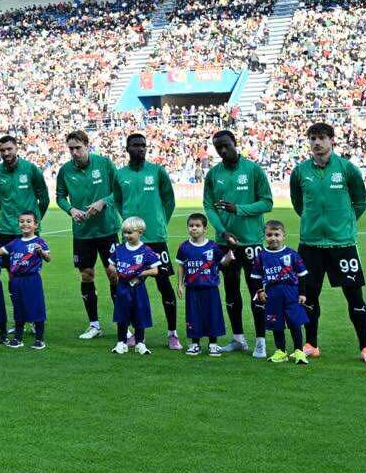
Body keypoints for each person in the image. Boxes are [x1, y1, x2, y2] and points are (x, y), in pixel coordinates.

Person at [289, 122, 366, 365]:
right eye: (312, 138)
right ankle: (311, 344)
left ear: (331, 140)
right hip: (311, 245)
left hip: (342, 244)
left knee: (355, 297)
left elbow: (360, 202)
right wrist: (313, 224)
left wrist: (344, 225)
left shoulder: (347, 169)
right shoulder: (299, 172)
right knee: (308, 296)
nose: (316, 142)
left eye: (321, 137)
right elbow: (298, 204)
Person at [202, 130, 273, 358]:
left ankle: (260, 341)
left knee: (257, 291)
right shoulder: (213, 174)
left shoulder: (253, 170)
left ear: (235, 143)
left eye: (226, 145)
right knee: (231, 291)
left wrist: (239, 209)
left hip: (251, 242)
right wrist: (222, 232)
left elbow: (267, 202)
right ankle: (238, 339)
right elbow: (209, 206)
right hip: (225, 243)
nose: (223, 150)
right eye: (218, 147)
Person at [112, 133, 180, 350]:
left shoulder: (157, 171)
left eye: (143, 145)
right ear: (127, 148)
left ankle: (172, 333)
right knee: (129, 287)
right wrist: (129, 224)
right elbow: (119, 201)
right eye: (135, 145)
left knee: (165, 286)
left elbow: (169, 200)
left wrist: (160, 222)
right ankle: (133, 333)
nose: (140, 148)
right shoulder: (120, 174)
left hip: (156, 239)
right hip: (131, 242)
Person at [55, 130, 120, 341]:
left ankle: (123, 324)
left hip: (107, 229)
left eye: (78, 148)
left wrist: (103, 202)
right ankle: (94, 325)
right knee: (86, 275)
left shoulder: (104, 164)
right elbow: (60, 197)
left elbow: (118, 190)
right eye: (71, 149)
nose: (74, 152)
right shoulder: (65, 171)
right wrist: (71, 210)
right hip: (83, 233)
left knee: (114, 274)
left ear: (87, 146)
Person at [0, 211, 50, 350]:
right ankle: (18, 338)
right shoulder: (15, 242)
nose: (25, 224)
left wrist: (41, 252)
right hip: (16, 280)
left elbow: (48, 258)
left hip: (32, 279)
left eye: (29, 221)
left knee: (36, 307)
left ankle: (39, 339)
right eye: (22, 221)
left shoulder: (39, 241)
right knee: (18, 308)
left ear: (35, 225)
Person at [250, 220, 310, 365]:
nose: (273, 238)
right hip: (272, 295)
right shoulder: (262, 256)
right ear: (265, 236)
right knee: (276, 324)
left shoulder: (292, 254)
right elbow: (256, 277)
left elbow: (302, 275)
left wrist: (302, 293)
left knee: (295, 323)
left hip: (291, 294)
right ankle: (281, 351)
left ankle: (299, 351)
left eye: (277, 234)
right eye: (269, 235)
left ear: (284, 236)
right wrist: (260, 291)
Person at [108, 217, 161, 355]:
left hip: (138, 289)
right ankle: (121, 343)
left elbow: (155, 270)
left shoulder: (146, 250)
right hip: (122, 288)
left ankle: (140, 343)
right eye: (124, 232)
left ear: (140, 232)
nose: (126, 235)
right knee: (122, 315)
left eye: (130, 233)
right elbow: (111, 265)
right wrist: (115, 272)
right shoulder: (120, 249)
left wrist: (139, 274)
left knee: (139, 314)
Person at [175, 213, 224, 356]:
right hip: (192, 289)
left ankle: (213, 344)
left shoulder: (213, 246)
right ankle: (195, 344)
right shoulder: (184, 247)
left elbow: (222, 262)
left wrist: (229, 256)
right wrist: (180, 285)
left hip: (210, 288)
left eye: (197, 226)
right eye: (191, 226)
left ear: (205, 229)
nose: (194, 228)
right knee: (193, 316)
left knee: (212, 315)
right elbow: (181, 266)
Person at [0, 135, 50, 246]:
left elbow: (44, 199)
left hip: (29, 230)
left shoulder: (31, 169)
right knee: (4, 258)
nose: (6, 153)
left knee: (31, 258)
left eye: (9, 149)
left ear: (16, 148)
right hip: (6, 230)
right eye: (2, 150)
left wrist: (34, 220)